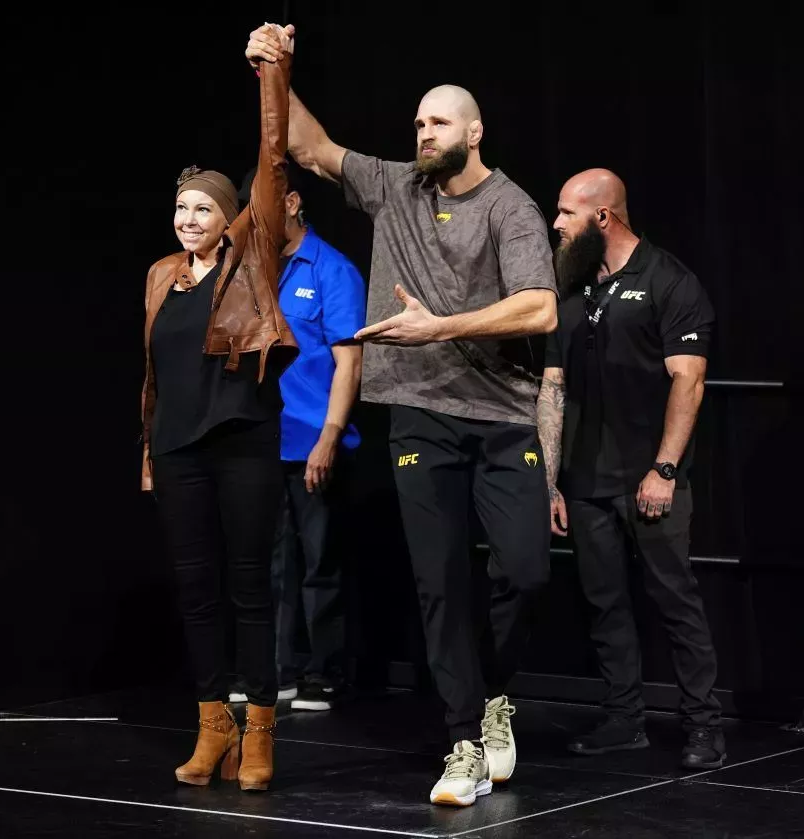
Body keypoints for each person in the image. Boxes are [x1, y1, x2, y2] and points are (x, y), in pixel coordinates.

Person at [247, 25, 559, 807]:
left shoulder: (510, 207)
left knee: (523, 570)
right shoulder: (394, 187)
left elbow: (542, 308)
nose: (423, 133)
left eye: (439, 123)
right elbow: (310, 147)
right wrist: (275, 70)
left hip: (501, 415)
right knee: (439, 582)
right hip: (418, 412)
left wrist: (439, 326)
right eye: (418, 123)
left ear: (475, 132)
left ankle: (492, 695)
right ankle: (462, 737)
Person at [140, 25, 298, 793]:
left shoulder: (252, 255)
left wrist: (272, 70)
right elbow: (153, 377)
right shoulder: (160, 275)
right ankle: (212, 726)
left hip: (241, 440)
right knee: (195, 588)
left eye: (204, 207)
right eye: (181, 207)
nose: (189, 217)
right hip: (175, 450)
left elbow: (273, 161)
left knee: (248, 586)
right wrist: (149, 451)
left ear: (229, 216)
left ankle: (260, 729)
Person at [537, 168, 725, 770]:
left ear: (603, 218)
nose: (556, 224)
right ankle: (624, 720)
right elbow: (553, 388)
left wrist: (664, 470)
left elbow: (688, 380)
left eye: (566, 213)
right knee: (605, 603)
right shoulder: (567, 290)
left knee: (675, 599)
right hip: (587, 483)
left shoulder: (670, 281)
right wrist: (551, 483)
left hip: (650, 479)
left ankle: (704, 725)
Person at [227, 161, 365, 712]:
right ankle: (276, 670)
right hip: (263, 441)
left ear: (291, 203)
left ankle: (324, 671)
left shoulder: (331, 270)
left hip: (314, 439)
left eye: (264, 205)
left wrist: (330, 435)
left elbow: (349, 364)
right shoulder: (252, 271)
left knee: (320, 560)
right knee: (268, 562)